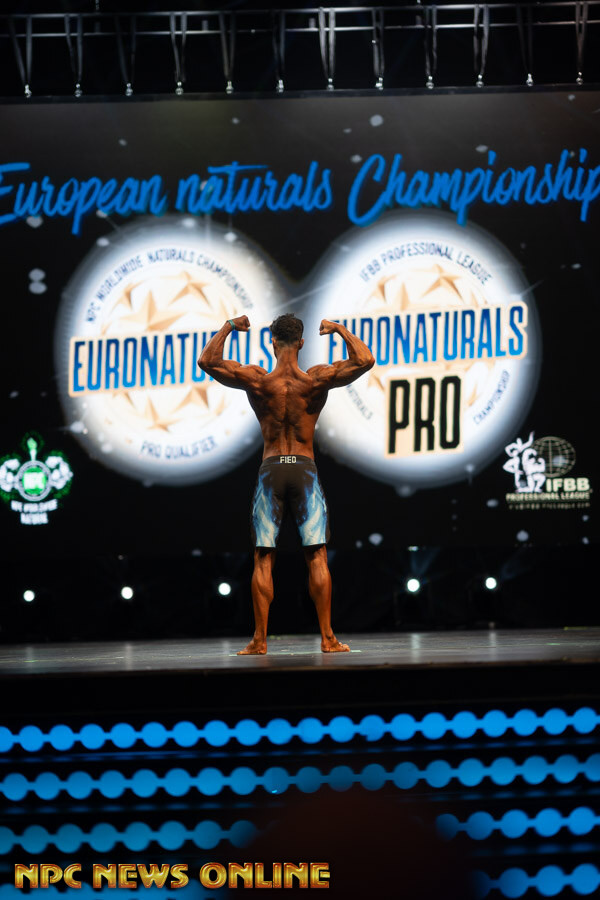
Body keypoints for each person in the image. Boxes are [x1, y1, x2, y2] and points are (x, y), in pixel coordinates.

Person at [198, 313, 374, 655]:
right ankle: (328, 638)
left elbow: (208, 361)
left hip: (271, 471)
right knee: (317, 556)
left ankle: (259, 640)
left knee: (263, 558)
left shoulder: (257, 380)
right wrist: (339, 330)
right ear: (302, 343)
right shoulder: (316, 380)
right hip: (304, 471)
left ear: (272, 342)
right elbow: (364, 360)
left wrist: (229, 326)